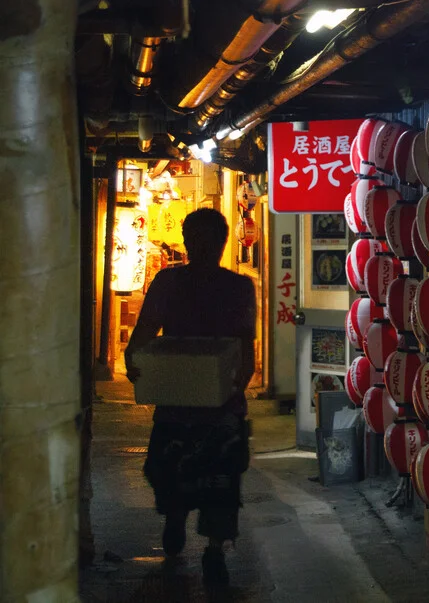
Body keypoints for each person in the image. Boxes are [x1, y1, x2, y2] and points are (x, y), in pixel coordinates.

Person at [125, 208, 256, 587]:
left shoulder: (233, 286)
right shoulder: (174, 282)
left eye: (207, 240)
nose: (200, 246)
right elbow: (147, 327)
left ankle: (214, 549)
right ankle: (178, 517)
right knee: (179, 472)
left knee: (217, 481)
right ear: (186, 242)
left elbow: (245, 347)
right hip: (184, 398)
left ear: (220, 243)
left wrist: (235, 386)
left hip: (207, 401)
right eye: (194, 239)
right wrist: (136, 358)